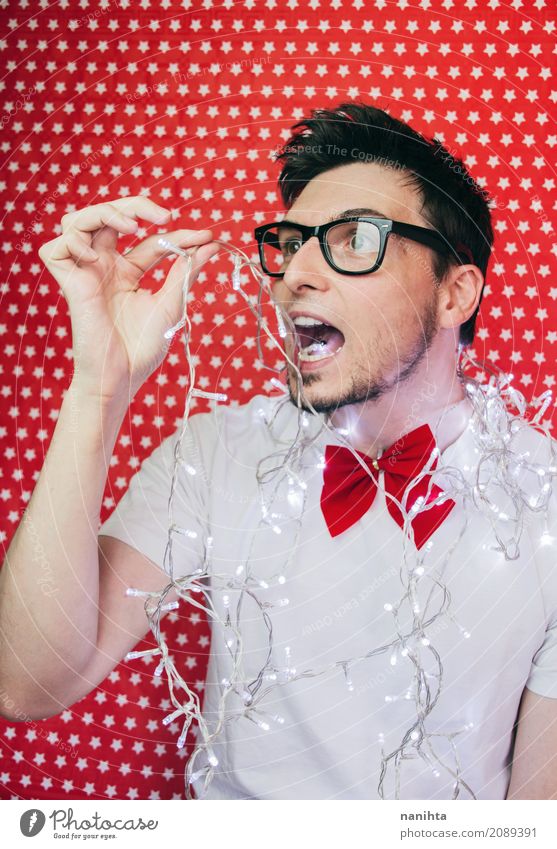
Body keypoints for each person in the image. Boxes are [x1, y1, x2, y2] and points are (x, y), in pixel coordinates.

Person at [1, 102, 556, 801]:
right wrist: (98, 387)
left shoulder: (544, 501)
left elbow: (538, 815)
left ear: (455, 293)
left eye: (354, 239)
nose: (294, 272)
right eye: (291, 243)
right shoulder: (217, 454)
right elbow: (26, 681)